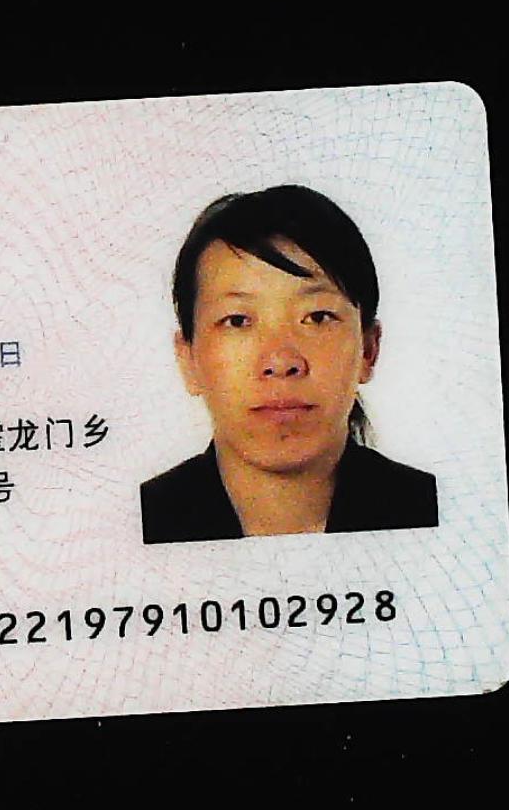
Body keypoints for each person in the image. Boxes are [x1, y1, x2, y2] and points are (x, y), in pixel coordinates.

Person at [139, 184, 440, 542]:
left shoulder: (436, 509)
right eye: (238, 320)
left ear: (368, 350)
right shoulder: (135, 522)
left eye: (317, 317)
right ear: (188, 359)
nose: (281, 361)